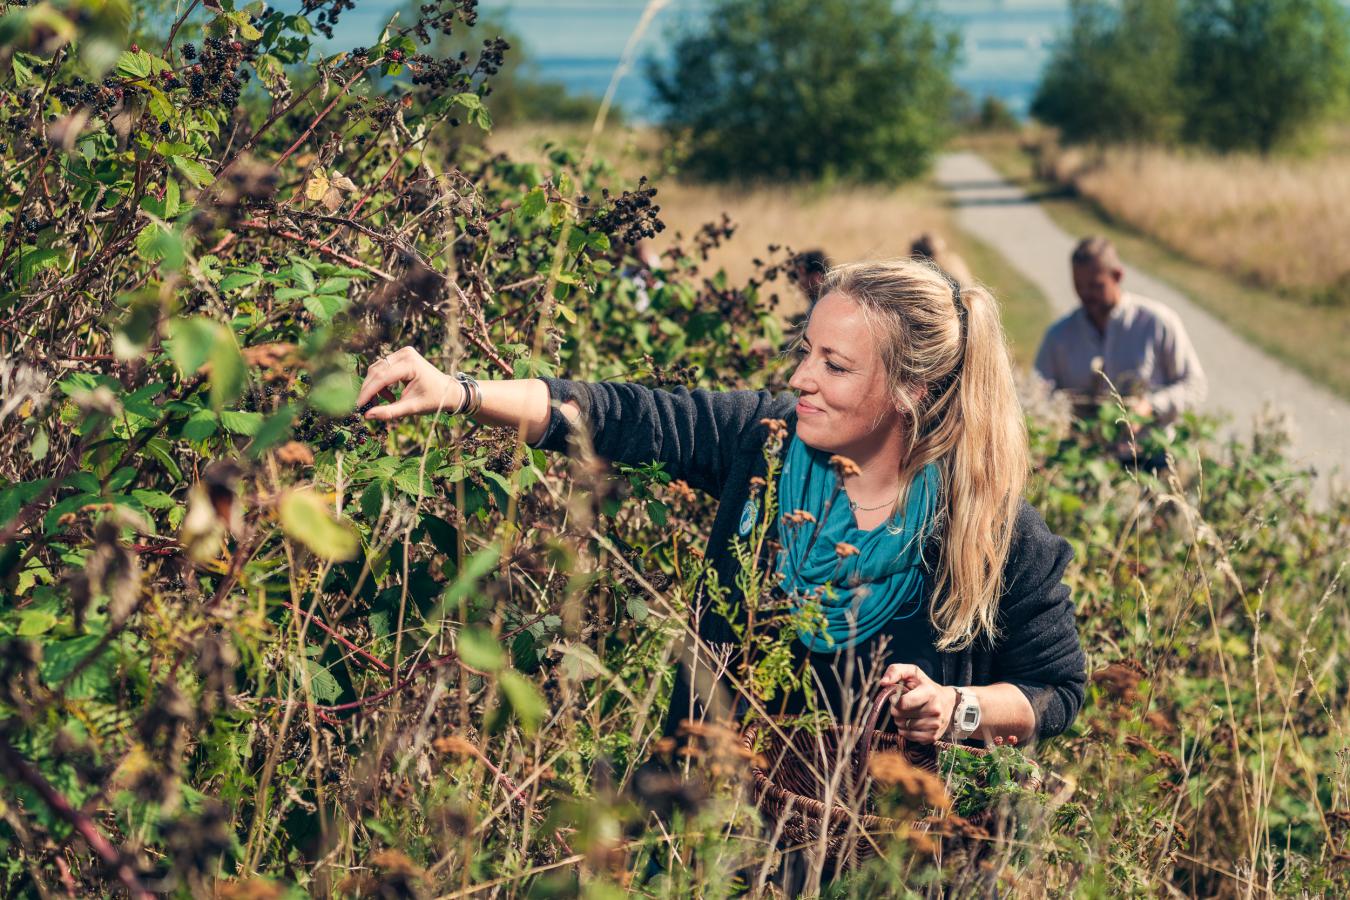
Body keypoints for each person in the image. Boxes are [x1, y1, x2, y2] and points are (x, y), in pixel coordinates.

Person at [356, 258, 1086, 753]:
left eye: (834, 365)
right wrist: (460, 392)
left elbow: (1057, 690)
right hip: (709, 824)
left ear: (911, 391)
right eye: (807, 351)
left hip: (885, 851)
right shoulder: (763, 442)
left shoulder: (990, 528)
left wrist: (959, 708)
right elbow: (617, 415)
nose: (800, 378)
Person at [1035, 236, 1207, 424]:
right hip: (1080, 441)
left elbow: (1194, 386)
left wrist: (1151, 407)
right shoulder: (1059, 336)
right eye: (1079, 286)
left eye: (1095, 286)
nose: (1085, 294)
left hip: (1150, 440)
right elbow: (1038, 394)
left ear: (1117, 276)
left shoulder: (1157, 323)